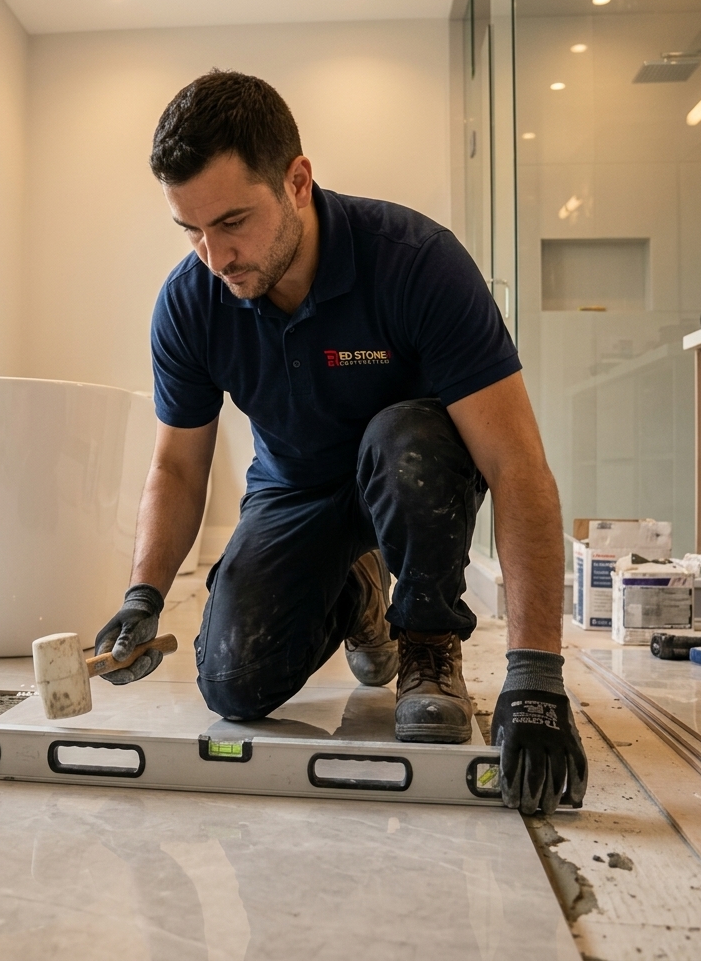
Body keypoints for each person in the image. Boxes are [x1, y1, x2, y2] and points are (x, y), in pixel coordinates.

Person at [93, 70, 587, 816]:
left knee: (403, 437)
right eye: (190, 230)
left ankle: (425, 644)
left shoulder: (415, 262)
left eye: (231, 222)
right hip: (295, 489)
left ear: (297, 181)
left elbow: (515, 464)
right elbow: (178, 465)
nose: (214, 257)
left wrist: (538, 678)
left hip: (414, 472)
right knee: (234, 685)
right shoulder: (191, 303)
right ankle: (362, 589)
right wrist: (143, 595)